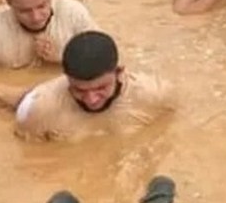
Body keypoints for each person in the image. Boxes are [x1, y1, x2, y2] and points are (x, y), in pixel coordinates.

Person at [14, 31, 175, 142]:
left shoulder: (156, 94)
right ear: (67, 78)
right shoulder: (38, 110)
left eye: (101, 88)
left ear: (119, 72)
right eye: (79, 90)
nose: (91, 100)